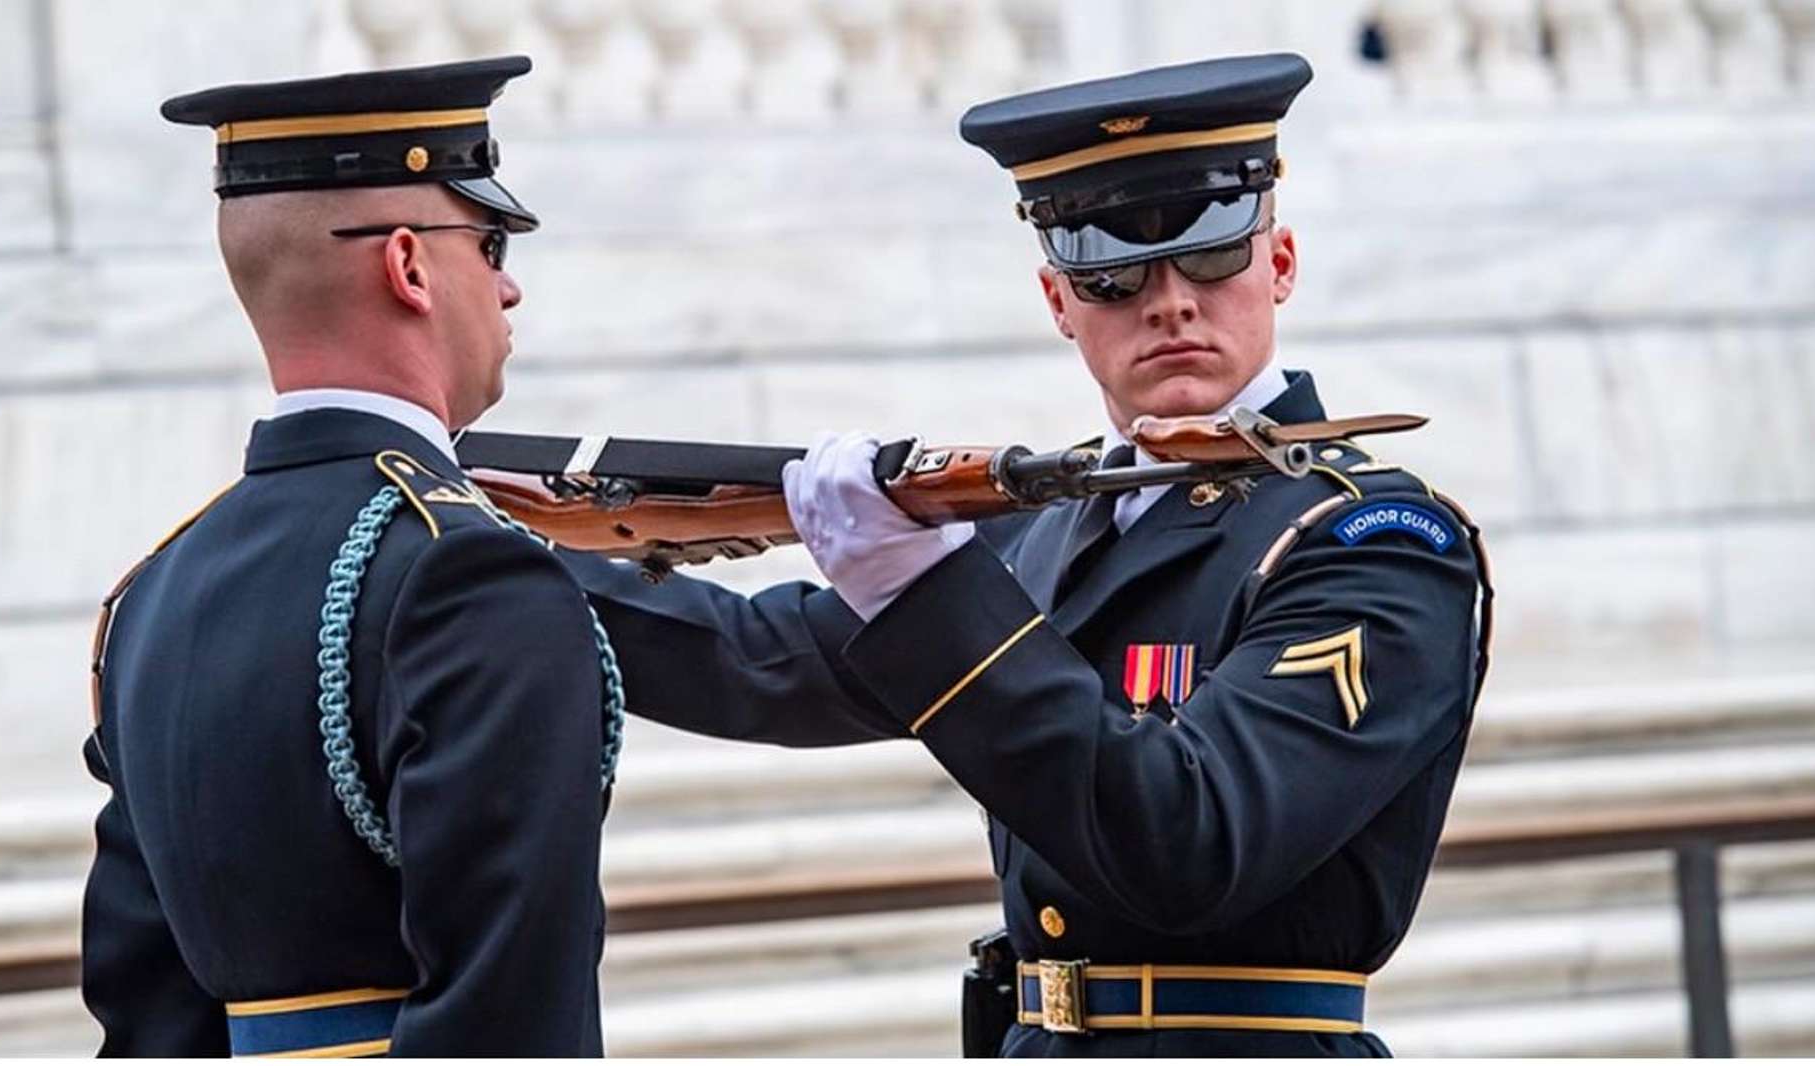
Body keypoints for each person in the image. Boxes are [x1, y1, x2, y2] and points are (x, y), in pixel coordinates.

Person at [567, 53, 1495, 1056]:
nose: (1171, 301)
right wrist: (477, 546)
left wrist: (922, 587)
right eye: (1113, 274)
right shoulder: (1044, 530)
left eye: (1214, 256)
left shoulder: (1369, 540)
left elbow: (1191, 842)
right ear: (1058, 301)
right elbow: (753, 664)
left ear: (1278, 265)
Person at [81, 58, 621, 1055]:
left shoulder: (154, 591)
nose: (508, 287)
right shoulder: (470, 574)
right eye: (490, 242)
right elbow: (509, 1015)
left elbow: (145, 1004)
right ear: (408, 267)